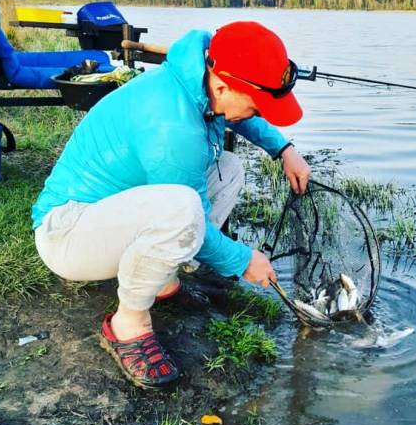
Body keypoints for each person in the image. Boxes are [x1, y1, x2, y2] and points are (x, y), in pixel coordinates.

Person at [31, 21, 311, 389]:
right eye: (257, 106)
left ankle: (161, 281)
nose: (258, 114)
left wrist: (283, 148)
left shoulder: (200, 77)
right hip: (68, 233)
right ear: (222, 84)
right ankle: (127, 324)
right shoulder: (172, 128)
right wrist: (244, 261)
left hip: (109, 216)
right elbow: (191, 218)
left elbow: (236, 113)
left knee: (229, 167)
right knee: (181, 208)